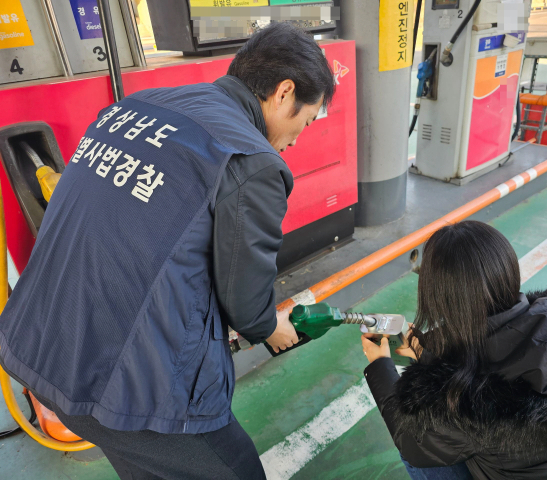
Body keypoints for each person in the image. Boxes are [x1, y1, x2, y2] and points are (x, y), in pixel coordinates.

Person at [0, 23, 334, 479]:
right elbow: (247, 303)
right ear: (284, 93)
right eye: (306, 120)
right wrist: (268, 327)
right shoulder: (252, 162)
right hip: (127, 391)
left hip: (41, 351)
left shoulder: (131, 108)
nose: (297, 139)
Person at [362, 221, 547, 480]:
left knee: (421, 449)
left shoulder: (463, 396)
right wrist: (432, 350)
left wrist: (380, 365)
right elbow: (506, 346)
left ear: (438, 297)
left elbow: (413, 443)